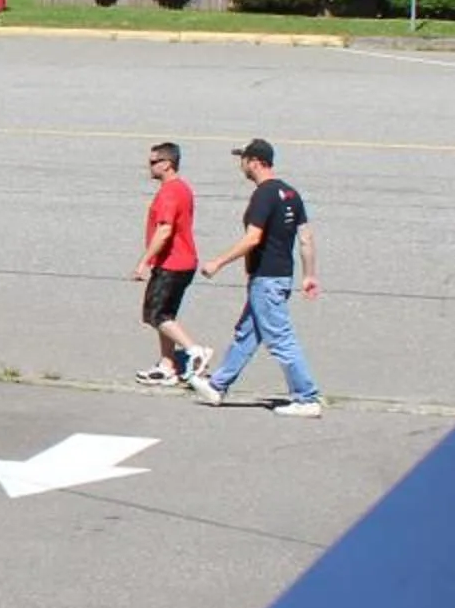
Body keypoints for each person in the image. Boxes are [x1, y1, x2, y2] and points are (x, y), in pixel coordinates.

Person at [190, 138, 325, 416]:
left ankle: (306, 397)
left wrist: (219, 262)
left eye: (243, 159)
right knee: (247, 333)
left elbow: (253, 238)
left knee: (280, 338)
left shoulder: (263, 195)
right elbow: (307, 238)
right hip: (281, 277)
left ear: (254, 161)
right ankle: (217, 385)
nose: (241, 165)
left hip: (266, 279)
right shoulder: (290, 193)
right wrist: (309, 274)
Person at [131, 142, 208, 385]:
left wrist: (144, 261)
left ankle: (194, 351)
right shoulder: (182, 188)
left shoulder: (169, 193)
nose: (149, 166)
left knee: (154, 314)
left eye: (154, 162)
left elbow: (164, 231)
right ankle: (167, 365)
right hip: (184, 262)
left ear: (167, 164)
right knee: (166, 315)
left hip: (172, 263)